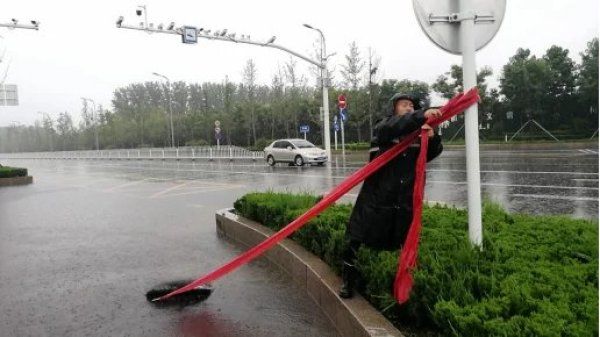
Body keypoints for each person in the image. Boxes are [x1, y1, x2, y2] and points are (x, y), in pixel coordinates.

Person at [339, 93, 444, 299]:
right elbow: (394, 126)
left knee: (403, 243)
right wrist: (422, 115)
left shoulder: (416, 134)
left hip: (402, 201)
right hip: (376, 198)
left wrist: (432, 138)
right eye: (404, 105)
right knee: (356, 239)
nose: (409, 108)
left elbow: (433, 152)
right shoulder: (384, 128)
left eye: (412, 106)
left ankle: (401, 287)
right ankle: (348, 282)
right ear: (394, 109)